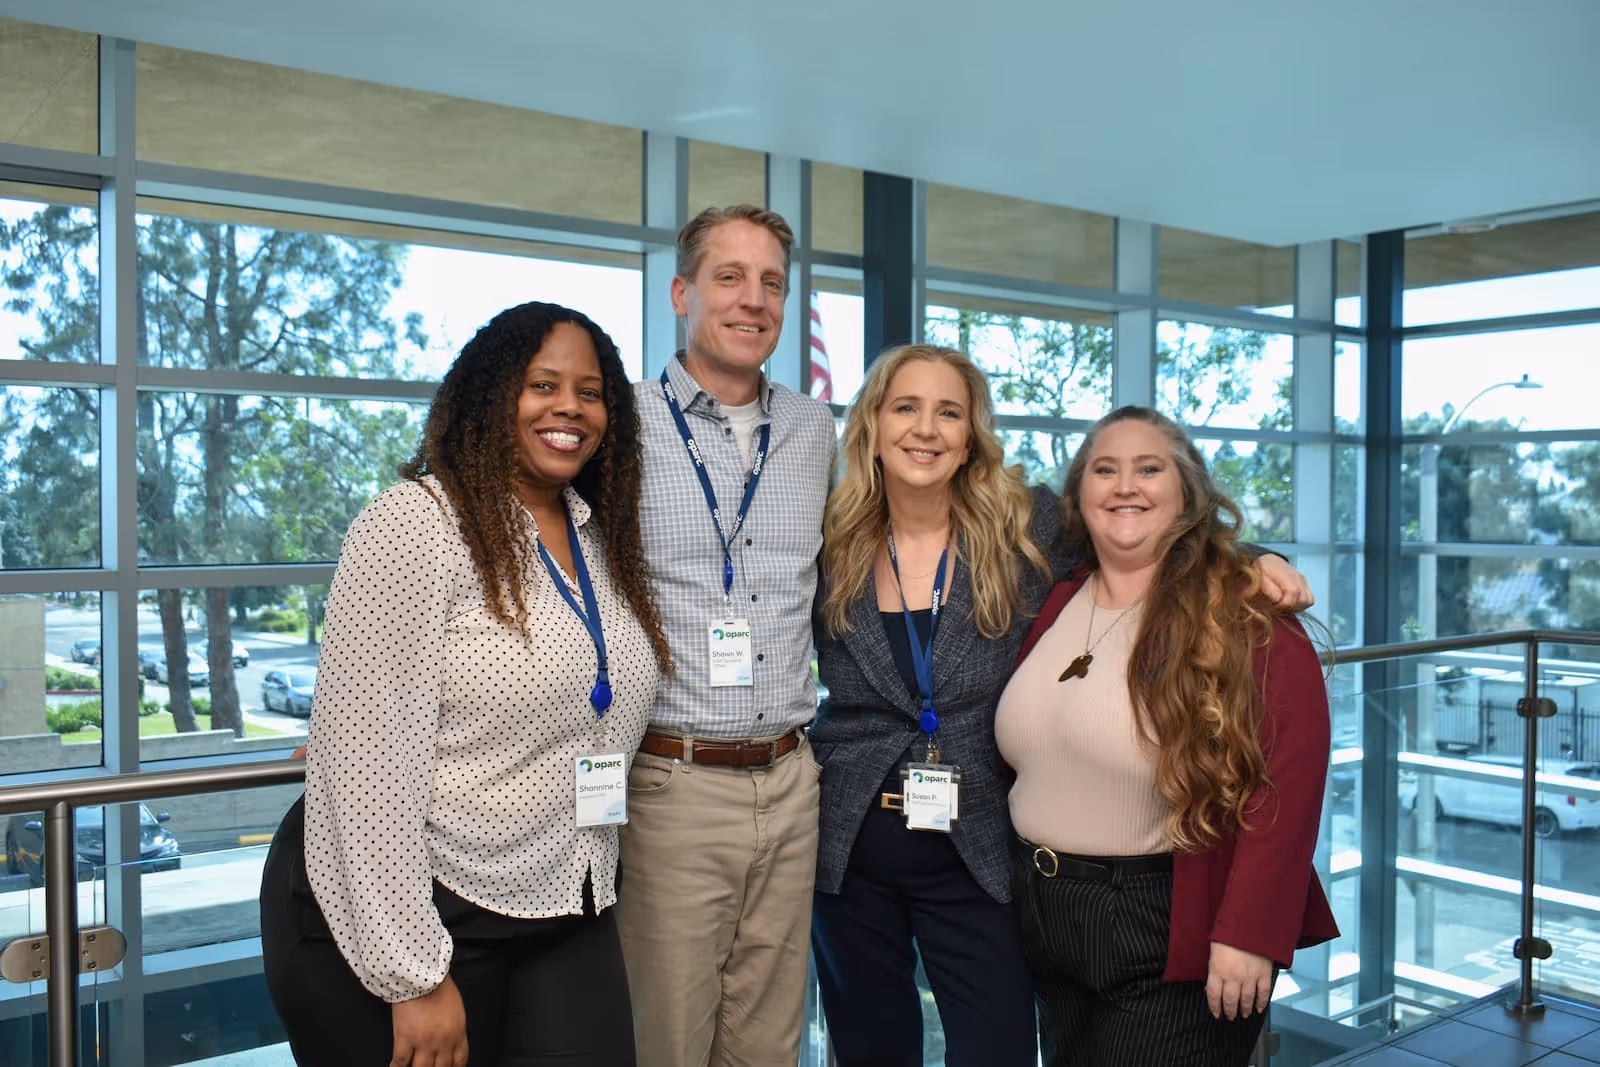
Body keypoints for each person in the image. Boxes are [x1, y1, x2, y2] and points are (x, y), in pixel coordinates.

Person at [808, 353, 1316, 1066]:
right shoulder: (827, 538)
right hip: (847, 843)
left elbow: (1141, 525)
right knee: (868, 1050)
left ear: (972, 433)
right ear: (872, 422)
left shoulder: (1024, 525)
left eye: (948, 411)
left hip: (979, 849)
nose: (925, 428)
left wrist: (1252, 559)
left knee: (1000, 1049)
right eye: (905, 407)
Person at [259, 301, 672, 1067]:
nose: (569, 409)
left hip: (564, 894)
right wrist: (412, 976)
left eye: (591, 392)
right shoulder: (416, 525)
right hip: (411, 907)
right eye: (542, 384)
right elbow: (364, 771)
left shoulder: (598, 534)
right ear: (489, 396)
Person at [997, 405, 1338, 1066]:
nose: (1126, 486)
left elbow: (1288, 780)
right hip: (1044, 917)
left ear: (1188, 493)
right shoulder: (1055, 597)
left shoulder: (1241, 607)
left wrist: (1252, 932)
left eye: (1148, 469)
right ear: (1079, 495)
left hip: (1168, 927)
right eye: (1105, 469)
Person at [617, 205, 836, 1067]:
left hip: (791, 780)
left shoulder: (816, 430)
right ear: (682, 292)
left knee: (769, 1044)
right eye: (729, 277)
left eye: (771, 282)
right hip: (674, 784)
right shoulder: (624, 426)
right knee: (667, 1040)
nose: (753, 300)